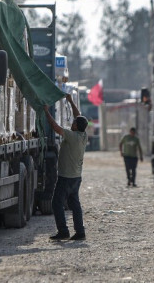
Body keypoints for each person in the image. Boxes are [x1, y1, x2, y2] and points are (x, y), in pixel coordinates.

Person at [43, 94, 89, 241]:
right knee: (74, 203)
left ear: (76, 126)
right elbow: (79, 116)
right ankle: (80, 232)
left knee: (56, 203)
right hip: (76, 176)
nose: (72, 122)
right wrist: (70, 101)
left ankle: (63, 231)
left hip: (66, 177)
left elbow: (56, 127)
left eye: (74, 123)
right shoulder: (83, 135)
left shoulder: (72, 135)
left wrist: (46, 112)